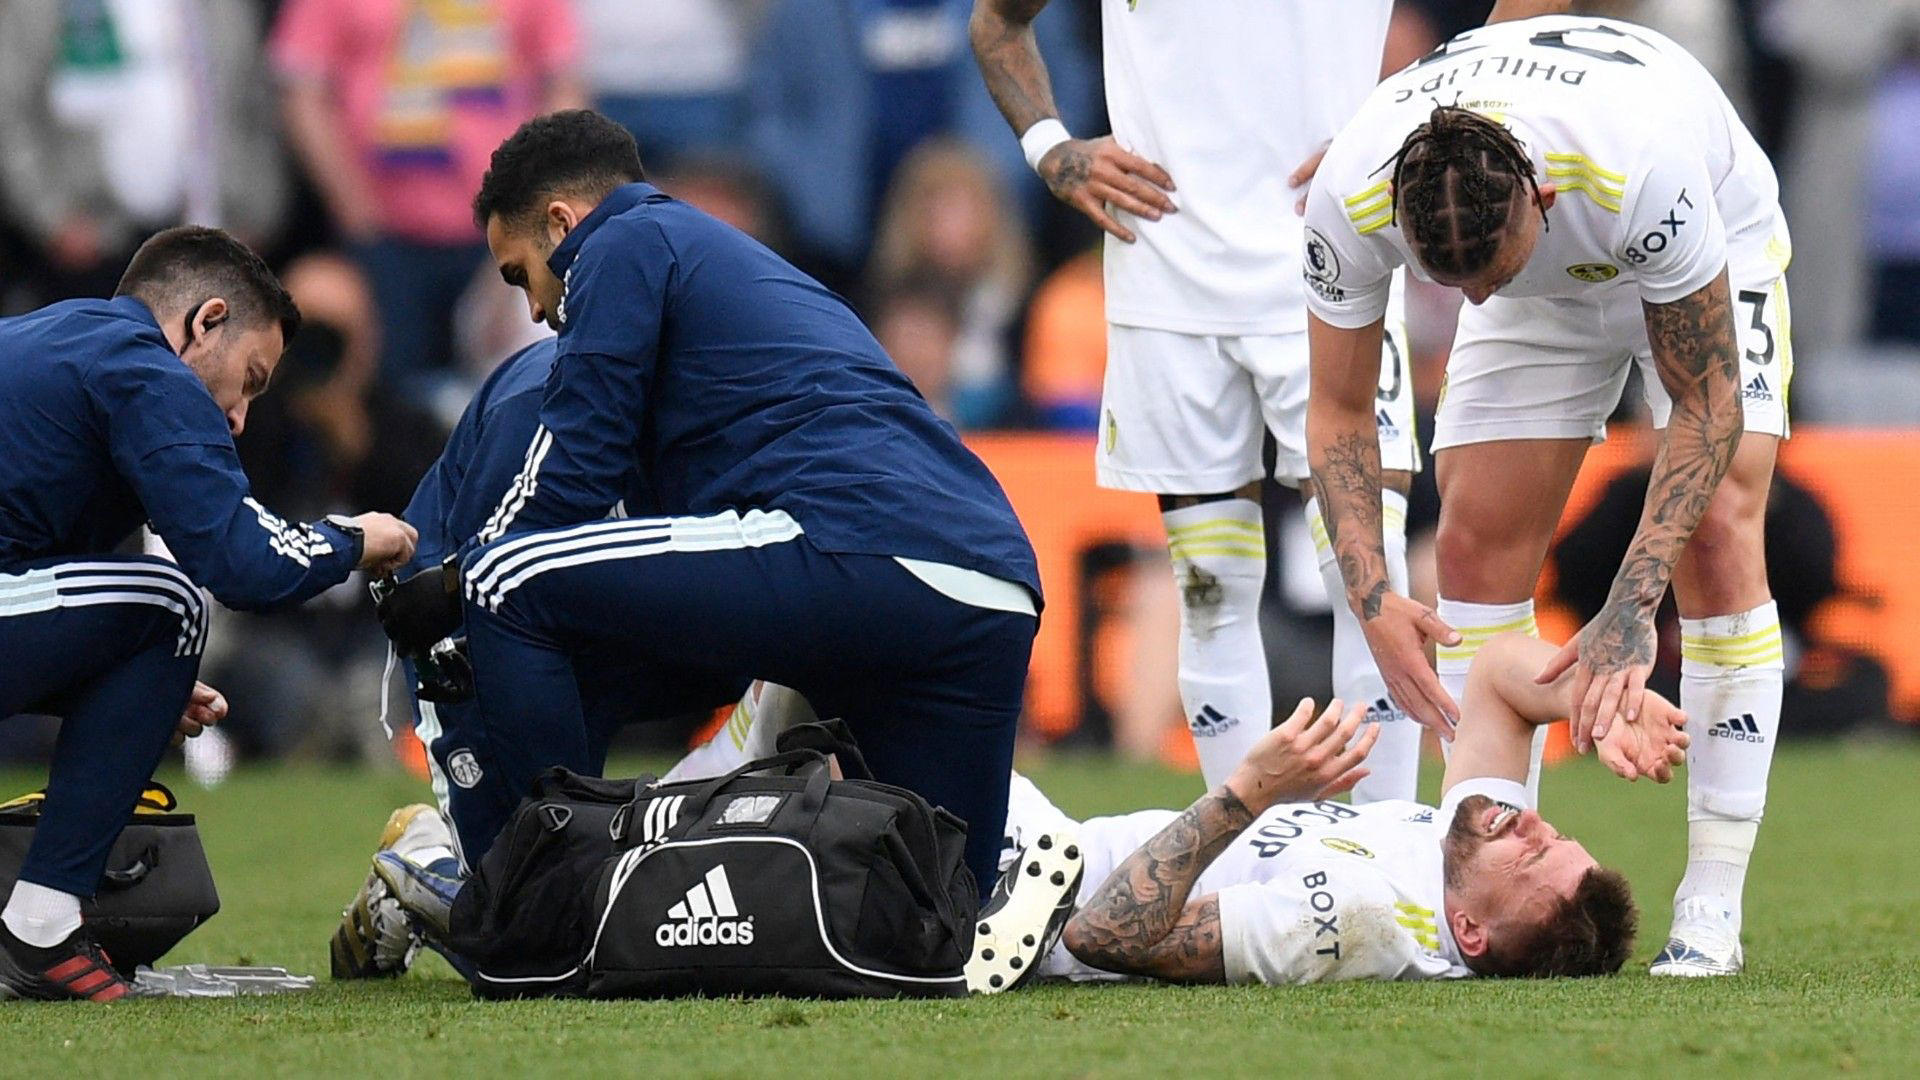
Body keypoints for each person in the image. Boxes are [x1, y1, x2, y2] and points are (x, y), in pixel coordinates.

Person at [428, 111, 1042, 903]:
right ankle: (624, 896)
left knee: (502, 579)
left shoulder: (622, 240)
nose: (538, 311)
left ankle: (560, 905)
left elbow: (572, 470)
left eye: (521, 276)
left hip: (847, 541)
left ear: (561, 224)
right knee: (930, 913)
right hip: (987, 583)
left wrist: (456, 581)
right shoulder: (739, 272)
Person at [1302, 15, 1793, 975]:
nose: (1473, 300)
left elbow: (1704, 406)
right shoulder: (1353, 192)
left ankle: (1711, 903)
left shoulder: (1640, 166)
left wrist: (1629, 603)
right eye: (1452, 280)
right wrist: (1371, 598)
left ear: (1541, 194)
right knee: (1476, 544)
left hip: (1705, 237)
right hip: (1551, 281)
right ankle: (1475, 903)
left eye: (1487, 269)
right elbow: (1337, 411)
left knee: (1719, 527)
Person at [973, 0, 1530, 797]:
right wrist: (1052, 148)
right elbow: (997, 21)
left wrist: (1419, 125)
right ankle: (1241, 865)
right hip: (1165, 270)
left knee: (1366, 582)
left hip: (1335, 254)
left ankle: (1383, 862)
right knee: (1208, 591)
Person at [0, 226, 416, 1002]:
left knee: (152, 620)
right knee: (171, 599)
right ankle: (39, 928)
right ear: (205, 321)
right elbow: (240, 566)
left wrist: (128, 682)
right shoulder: (141, 367)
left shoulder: (64, 342)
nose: (240, 418)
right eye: (252, 380)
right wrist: (356, 538)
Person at [327, 339, 813, 979]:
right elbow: (481, 590)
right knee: (537, 946)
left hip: (630, 624)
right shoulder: (539, 406)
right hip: (490, 648)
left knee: (822, 635)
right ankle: (424, 863)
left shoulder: (738, 389)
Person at [969, 631, 1683, 990]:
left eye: (1527, 853)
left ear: (1467, 930)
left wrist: (1248, 794)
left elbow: (1103, 933)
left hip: (1004, 893)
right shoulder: (1457, 854)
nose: (1524, 820)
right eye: (1550, 831)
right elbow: (1500, 676)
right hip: (1029, 828)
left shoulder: (1352, 916)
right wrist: (1593, 703)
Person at [270, 0, 585, 407]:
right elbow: (302, 88)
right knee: (383, 401)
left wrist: (533, 219)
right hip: (380, 238)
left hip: (506, 238)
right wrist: (356, 210)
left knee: (516, 399)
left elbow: (563, 86)